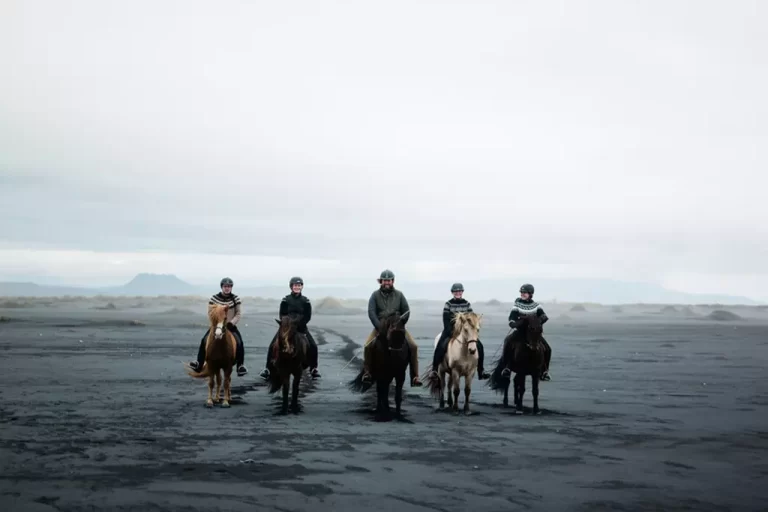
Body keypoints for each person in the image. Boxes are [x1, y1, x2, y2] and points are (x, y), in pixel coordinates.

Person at [361, 269, 423, 387]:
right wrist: (379, 326)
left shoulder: (399, 295)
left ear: (393, 281)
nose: (387, 282)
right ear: (381, 281)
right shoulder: (374, 295)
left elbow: (407, 311)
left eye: (389, 280)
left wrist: (400, 323)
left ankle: (415, 376)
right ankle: (367, 373)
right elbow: (371, 312)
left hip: (397, 326)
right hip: (381, 326)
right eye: (385, 280)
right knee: (368, 345)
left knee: (413, 346)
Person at [259, 277, 321, 380]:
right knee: (272, 345)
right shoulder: (285, 300)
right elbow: (282, 314)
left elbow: (307, 316)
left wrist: (299, 325)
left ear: (302, 286)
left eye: (299, 285)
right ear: (291, 287)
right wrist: (287, 325)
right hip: (287, 327)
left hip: (301, 326)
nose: (297, 287)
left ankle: (313, 368)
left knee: (313, 346)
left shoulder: (306, 301)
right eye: (295, 285)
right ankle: (268, 369)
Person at [428, 283, 490, 380]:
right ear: (452, 292)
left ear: (462, 292)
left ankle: (481, 370)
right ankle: (434, 370)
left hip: (465, 331)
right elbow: (445, 319)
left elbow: (471, 319)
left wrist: (470, 330)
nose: (458, 293)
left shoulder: (467, 304)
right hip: (450, 330)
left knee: (480, 346)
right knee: (441, 345)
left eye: (459, 291)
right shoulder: (448, 304)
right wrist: (450, 331)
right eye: (456, 291)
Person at [188, 277, 247, 377]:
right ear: (222, 287)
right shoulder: (214, 298)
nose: (227, 288)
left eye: (229, 286)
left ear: (231, 288)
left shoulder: (235, 299)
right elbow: (210, 313)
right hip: (217, 327)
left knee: (240, 342)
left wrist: (231, 323)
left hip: (230, 326)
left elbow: (238, 314)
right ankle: (199, 363)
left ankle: (240, 366)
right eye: (225, 286)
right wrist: (216, 323)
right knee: (204, 340)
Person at [502, 283, 552, 380]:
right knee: (507, 342)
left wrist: (536, 321)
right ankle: (507, 368)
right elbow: (511, 318)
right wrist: (515, 323)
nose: (522, 294)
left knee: (548, 349)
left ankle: (545, 371)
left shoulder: (537, 306)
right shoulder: (517, 305)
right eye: (521, 292)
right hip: (520, 333)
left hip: (533, 333)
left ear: (530, 294)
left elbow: (544, 317)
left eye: (525, 293)